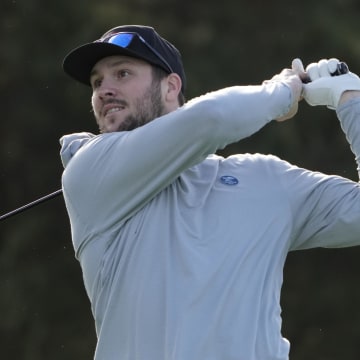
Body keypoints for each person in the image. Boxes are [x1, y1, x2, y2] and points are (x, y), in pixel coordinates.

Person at [60, 25, 360, 360]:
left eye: (122, 73)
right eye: (97, 82)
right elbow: (212, 119)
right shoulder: (90, 171)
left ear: (171, 87)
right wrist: (281, 92)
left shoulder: (265, 179)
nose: (104, 90)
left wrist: (350, 98)